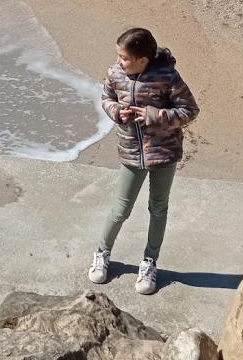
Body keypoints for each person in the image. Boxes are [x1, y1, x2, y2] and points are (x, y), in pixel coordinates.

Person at [87, 28, 199, 295]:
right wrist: (116, 111)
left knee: (158, 208)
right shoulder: (116, 73)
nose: (119, 62)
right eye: (118, 56)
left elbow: (189, 110)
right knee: (120, 208)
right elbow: (106, 98)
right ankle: (102, 253)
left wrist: (154, 115)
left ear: (143, 60)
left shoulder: (167, 77)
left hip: (164, 152)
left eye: (124, 57)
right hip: (130, 151)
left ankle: (149, 262)